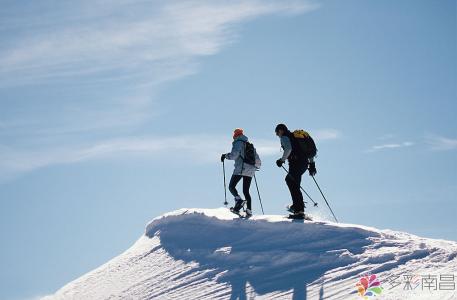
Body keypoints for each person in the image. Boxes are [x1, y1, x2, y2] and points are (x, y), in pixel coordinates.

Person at [275, 123, 316, 218]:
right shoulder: (295, 137)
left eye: (277, 133)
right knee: (295, 183)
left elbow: (288, 149)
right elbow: (307, 152)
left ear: (281, 130)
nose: (277, 135)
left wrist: (281, 160)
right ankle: (297, 206)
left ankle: (299, 210)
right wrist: (312, 164)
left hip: (296, 163)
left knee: (290, 181)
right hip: (304, 164)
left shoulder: (285, 137)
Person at [221, 128, 261, 217]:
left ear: (235, 135)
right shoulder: (249, 145)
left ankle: (239, 201)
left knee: (231, 186)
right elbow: (257, 159)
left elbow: (234, 155)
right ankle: (249, 210)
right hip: (250, 170)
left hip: (240, 169)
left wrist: (225, 156)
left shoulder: (238, 143)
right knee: (246, 191)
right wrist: (256, 168)